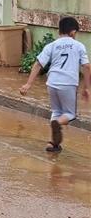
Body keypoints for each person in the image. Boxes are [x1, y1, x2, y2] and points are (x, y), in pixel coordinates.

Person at [20, 17, 91, 153]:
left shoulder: (52, 45)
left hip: (52, 83)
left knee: (56, 111)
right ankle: (57, 123)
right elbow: (87, 67)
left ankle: (53, 143)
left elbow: (38, 64)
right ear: (73, 32)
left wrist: (28, 84)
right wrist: (86, 87)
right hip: (68, 83)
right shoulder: (78, 46)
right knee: (70, 114)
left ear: (59, 30)